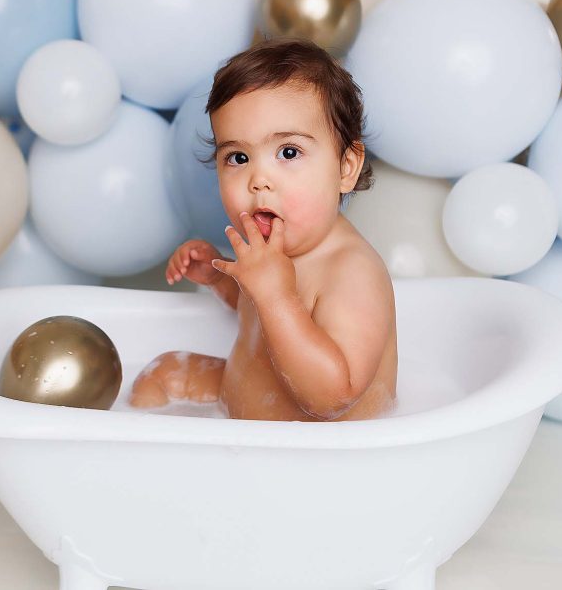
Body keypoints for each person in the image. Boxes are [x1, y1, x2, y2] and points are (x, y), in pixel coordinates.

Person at [129, 37, 398, 421]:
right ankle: (134, 457)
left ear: (346, 168)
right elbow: (255, 311)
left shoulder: (352, 273)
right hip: (248, 415)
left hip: (313, 456)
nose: (258, 180)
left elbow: (334, 397)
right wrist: (221, 277)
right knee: (163, 371)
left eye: (288, 152)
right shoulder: (269, 251)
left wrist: (275, 297)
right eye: (238, 157)